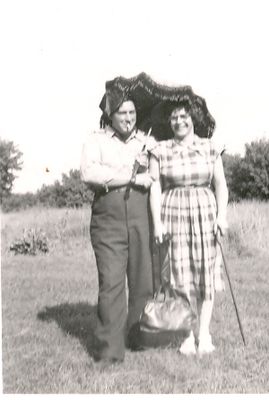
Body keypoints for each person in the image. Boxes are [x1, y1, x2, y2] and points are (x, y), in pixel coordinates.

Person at [80, 79, 154, 364]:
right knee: (111, 282)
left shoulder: (146, 143)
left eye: (132, 113)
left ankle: (139, 339)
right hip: (108, 218)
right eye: (123, 113)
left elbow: (155, 177)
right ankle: (110, 351)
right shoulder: (95, 140)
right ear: (110, 115)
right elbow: (90, 174)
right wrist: (130, 176)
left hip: (140, 214)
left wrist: (147, 167)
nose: (129, 118)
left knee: (142, 280)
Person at [149, 100, 228, 356]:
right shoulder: (159, 150)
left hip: (205, 212)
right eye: (174, 118)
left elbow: (220, 185)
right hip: (173, 213)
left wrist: (222, 216)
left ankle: (203, 334)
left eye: (184, 116)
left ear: (194, 118)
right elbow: (155, 187)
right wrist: (157, 222)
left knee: (205, 273)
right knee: (179, 275)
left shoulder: (209, 147)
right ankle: (186, 335)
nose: (179, 122)